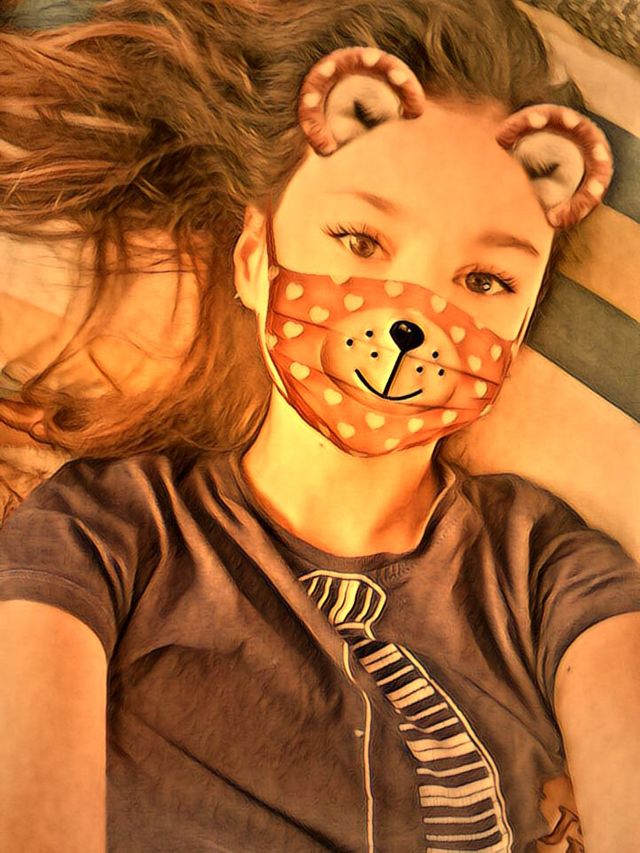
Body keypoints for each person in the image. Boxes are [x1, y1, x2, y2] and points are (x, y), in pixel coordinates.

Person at [0, 1, 638, 851]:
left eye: (485, 281)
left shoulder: (546, 570)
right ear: (254, 261)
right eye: (360, 239)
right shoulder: (105, 530)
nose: (419, 313)